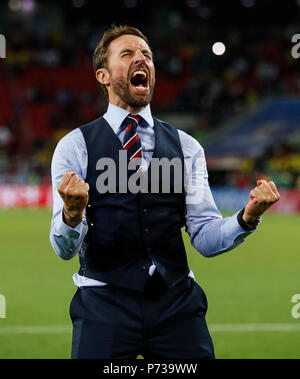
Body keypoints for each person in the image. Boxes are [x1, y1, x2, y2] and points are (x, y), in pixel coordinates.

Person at [49, 25, 280, 359]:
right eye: (127, 54)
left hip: (176, 305)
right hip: (103, 306)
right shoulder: (75, 147)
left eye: (147, 55)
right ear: (102, 75)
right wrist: (72, 215)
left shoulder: (187, 147)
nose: (141, 58)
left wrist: (246, 218)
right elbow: (63, 250)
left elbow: (204, 236)